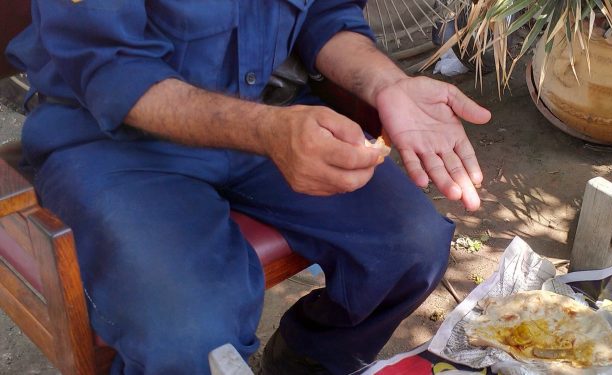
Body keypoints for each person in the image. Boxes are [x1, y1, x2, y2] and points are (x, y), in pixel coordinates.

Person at [6, 1, 491, 374]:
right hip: (109, 139)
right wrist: (267, 133)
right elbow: (111, 70)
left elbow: (325, 13)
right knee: (190, 339)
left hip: (269, 111)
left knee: (411, 246)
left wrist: (388, 85)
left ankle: (302, 362)